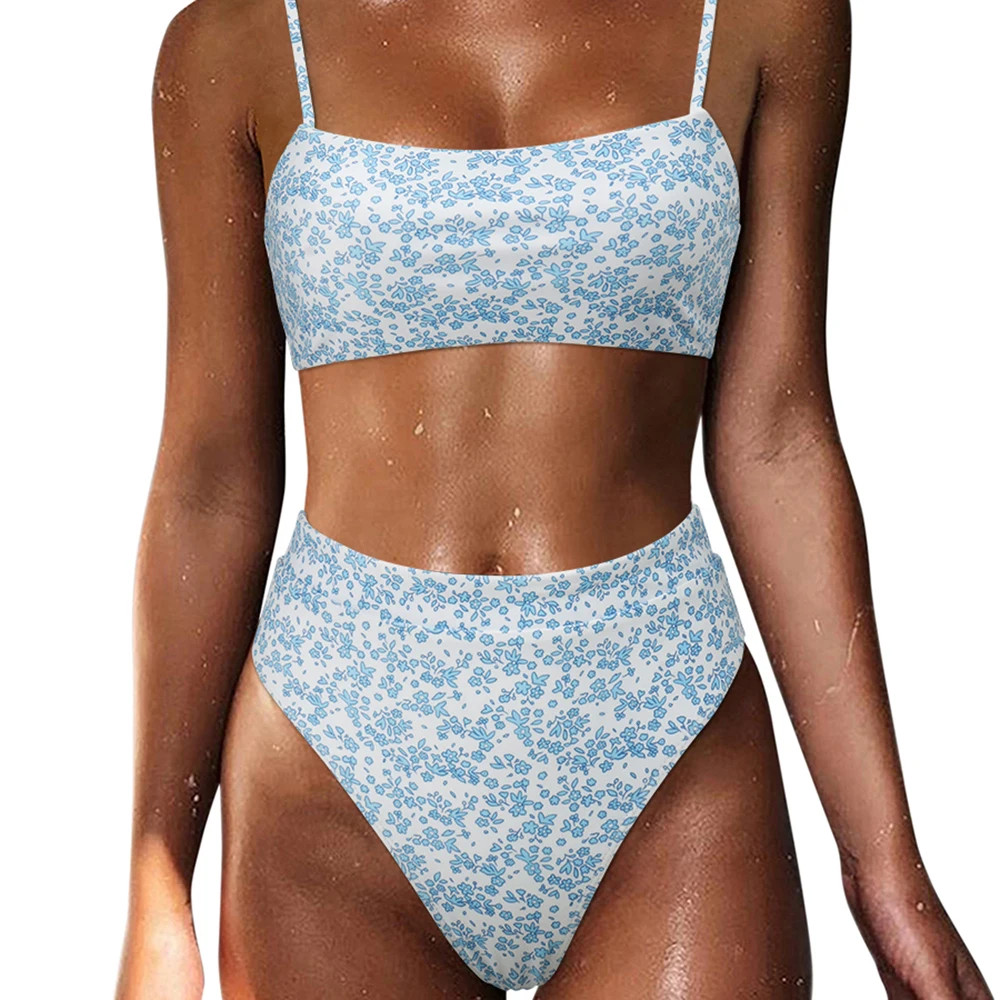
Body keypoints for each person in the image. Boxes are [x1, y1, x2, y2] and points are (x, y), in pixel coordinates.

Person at [116, 0, 993, 997]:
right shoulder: (233, 43)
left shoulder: (766, 16)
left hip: (666, 736)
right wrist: (157, 884)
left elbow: (776, 439)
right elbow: (212, 480)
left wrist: (887, 872)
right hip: (335, 757)